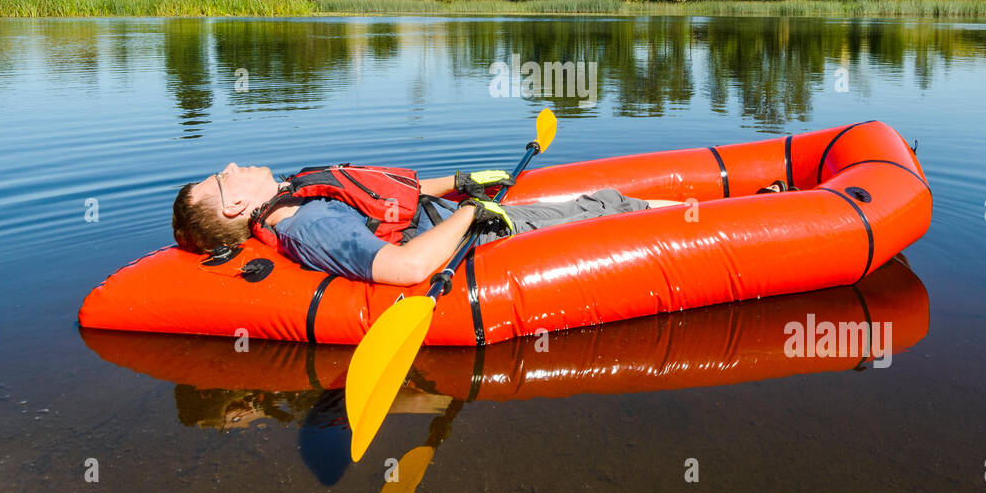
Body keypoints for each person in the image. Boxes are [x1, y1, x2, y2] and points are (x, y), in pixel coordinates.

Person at [171, 163, 679, 287]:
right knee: (604, 206)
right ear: (235, 206)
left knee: (600, 201)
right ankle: (743, 210)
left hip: (453, 220)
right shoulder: (311, 225)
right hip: (481, 239)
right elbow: (408, 265)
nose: (232, 167)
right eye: (222, 178)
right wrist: (470, 211)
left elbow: (385, 204)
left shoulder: (296, 198)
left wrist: (455, 182)